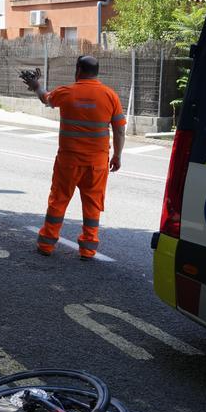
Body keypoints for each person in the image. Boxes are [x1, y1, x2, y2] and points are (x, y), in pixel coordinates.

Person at [21, 56, 126, 260]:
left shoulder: (66, 92)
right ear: (97, 72)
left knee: (58, 200)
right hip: (97, 164)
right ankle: (88, 249)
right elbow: (120, 131)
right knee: (93, 204)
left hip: (68, 162)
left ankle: (47, 244)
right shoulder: (110, 95)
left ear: (78, 69)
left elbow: (46, 98)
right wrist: (117, 156)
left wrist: (36, 85)